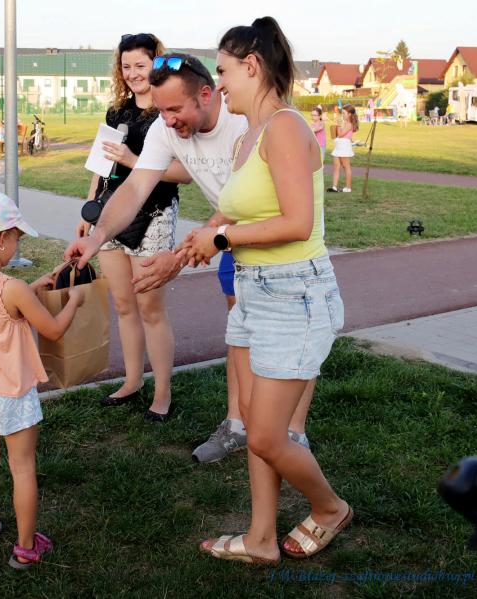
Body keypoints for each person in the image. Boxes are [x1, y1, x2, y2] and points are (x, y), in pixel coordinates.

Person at [64, 52, 315, 459]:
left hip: (277, 243)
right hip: (235, 240)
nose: (167, 121)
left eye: (175, 109)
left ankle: (293, 435)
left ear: (206, 94)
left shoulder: (243, 124)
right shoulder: (164, 128)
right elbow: (135, 188)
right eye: (161, 110)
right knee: (240, 333)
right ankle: (237, 424)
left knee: (290, 345)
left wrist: (179, 257)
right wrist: (96, 238)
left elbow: (242, 203)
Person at [176, 16, 350, 565]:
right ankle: (261, 539)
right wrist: (196, 241)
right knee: (256, 425)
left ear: (252, 66)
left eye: (224, 70)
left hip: (294, 294)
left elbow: (298, 222)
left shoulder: (286, 128)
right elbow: (238, 211)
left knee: (267, 437)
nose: (219, 83)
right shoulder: (249, 135)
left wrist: (222, 238)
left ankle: (329, 508)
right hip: (255, 291)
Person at [0, 191, 85, 569]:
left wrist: (34, 288)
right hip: (11, 393)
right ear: (1, 240)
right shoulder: (12, 288)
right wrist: (74, 302)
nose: (17, 244)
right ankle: (26, 547)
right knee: (22, 468)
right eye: (16, 237)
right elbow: (54, 330)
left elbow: (3, 304)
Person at [75, 33, 191, 420]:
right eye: (126, 66)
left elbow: (184, 173)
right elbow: (100, 166)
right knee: (124, 305)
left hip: (154, 215)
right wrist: (88, 213)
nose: (133, 73)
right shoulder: (116, 112)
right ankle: (131, 381)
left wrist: (131, 159)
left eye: (140, 65)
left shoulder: (168, 112)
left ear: (156, 63)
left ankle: (163, 392)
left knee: (149, 308)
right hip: (110, 215)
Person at [327, 105, 358, 193]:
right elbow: (336, 135)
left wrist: (338, 126)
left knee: (346, 166)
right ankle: (334, 187)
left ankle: (348, 187)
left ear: (349, 114)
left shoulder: (349, 124)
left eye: (344, 113)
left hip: (344, 146)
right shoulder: (344, 123)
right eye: (342, 113)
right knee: (336, 167)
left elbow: (340, 135)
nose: (342, 115)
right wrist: (337, 126)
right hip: (338, 146)